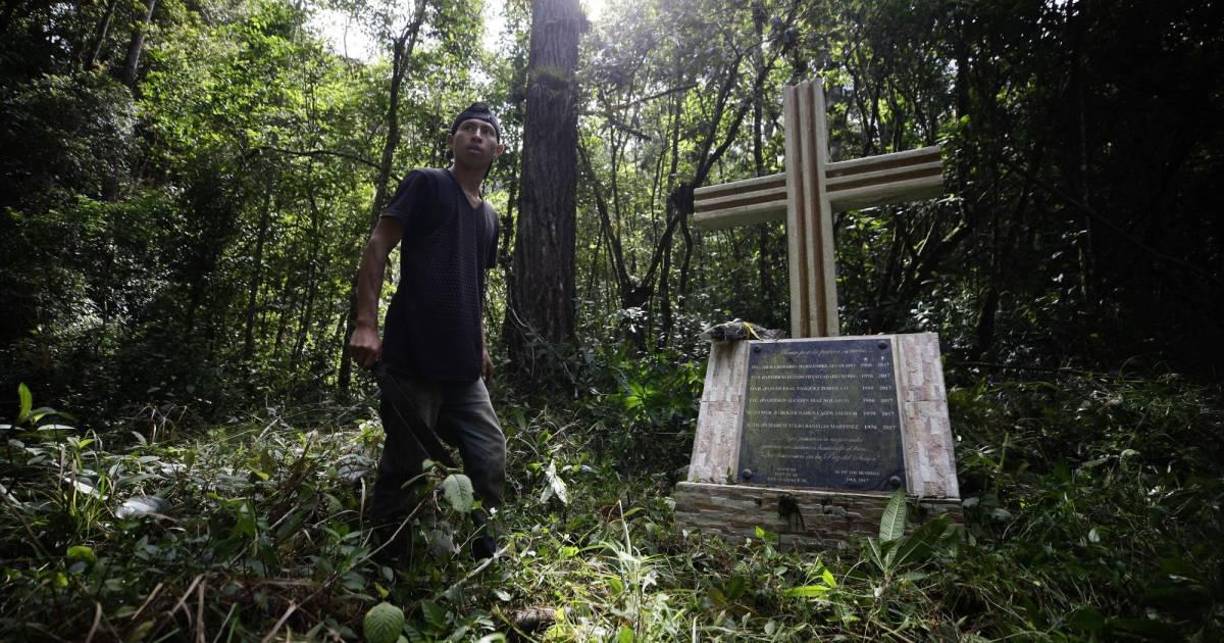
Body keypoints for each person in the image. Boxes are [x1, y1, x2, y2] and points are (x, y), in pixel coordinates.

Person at [348, 102, 506, 560]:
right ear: (454, 140)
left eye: (485, 132)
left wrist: (482, 347)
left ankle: (484, 549)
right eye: (467, 129)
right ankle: (387, 562)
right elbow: (379, 242)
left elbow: (474, 283)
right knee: (404, 466)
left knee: (490, 454)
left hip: (463, 369)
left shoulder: (491, 217)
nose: (476, 135)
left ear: (497, 149)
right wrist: (365, 324)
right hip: (411, 358)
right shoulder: (427, 183)